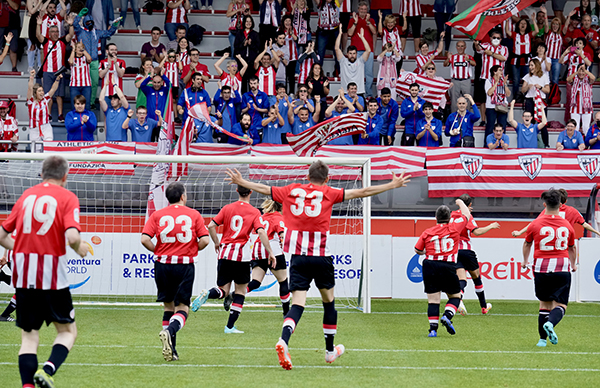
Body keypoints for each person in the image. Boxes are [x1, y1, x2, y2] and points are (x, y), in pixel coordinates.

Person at [224, 160, 411, 369]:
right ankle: (330, 351)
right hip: (321, 257)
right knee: (329, 302)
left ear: (307, 176)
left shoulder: (291, 190)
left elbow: (266, 189)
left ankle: (283, 341)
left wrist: (242, 181)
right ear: (327, 179)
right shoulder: (329, 193)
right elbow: (362, 191)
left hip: (298, 258)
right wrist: (391, 185)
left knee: (297, 305)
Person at [0, 155, 89, 388]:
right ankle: (48, 369)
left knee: (29, 337)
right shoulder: (67, 197)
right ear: (65, 176)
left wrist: (19, 248)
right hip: (52, 277)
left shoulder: (27, 196)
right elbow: (71, 237)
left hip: (25, 275)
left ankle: (27, 386)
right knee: (68, 332)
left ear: (42, 174)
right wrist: (80, 248)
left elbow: (1, 236)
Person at [191, 185, 274, 334]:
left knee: (223, 290)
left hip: (225, 253)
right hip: (241, 257)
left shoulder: (227, 208)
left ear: (237, 191)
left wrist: (217, 242)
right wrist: (270, 252)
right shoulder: (254, 212)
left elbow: (211, 226)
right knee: (241, 291)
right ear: (250, 192)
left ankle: (209, 293)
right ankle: (229, 327)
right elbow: (261, 232)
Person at [141, 182, 210, 361]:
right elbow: (205, 240)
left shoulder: (157, 215)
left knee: (168, 307)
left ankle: (172, 350)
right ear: (182, 197)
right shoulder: (193, 214)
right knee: (182, 308)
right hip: (184, 265)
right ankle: (170, 331)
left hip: (163, 265)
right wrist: (193, 248)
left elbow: (144, 239)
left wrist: (157, 250)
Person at [521, 190, 576, 347]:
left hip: (541, 267)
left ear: (544, 204)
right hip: (561, 267)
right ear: (561, 205)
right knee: (561, 305)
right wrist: (573, 264)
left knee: (544, 304)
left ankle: (542, 340)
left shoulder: (535, 223)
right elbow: (572, 248)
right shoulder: (566, 224)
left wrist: (525, 260)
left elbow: (527, 243)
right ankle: (551, 323)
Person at [414, 198, 471, 338]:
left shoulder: (427, 232)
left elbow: (417, 250)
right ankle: (447, 315)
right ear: (450, 218)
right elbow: (467, 216)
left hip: (430, 265)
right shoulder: (455, 228)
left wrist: (426, 252)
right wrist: (460, 202)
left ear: (436, 218)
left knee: (433, 300)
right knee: (455, 296)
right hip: (447, 265)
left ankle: (433, 330)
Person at [450, 194, 499, 316]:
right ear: (470, 205)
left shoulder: (452, 215)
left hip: (454, 250)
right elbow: (476, 232)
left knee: (462, 279)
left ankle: (459, 299)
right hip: (466, 250)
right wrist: (491, 226)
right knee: (476, 277)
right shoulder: (467, 216)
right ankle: (483, 307)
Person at [247, 199, 290, 316]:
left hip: (257, 250)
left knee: (255, 282)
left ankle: (235, 294)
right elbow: (282, 235)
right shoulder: (277, 217)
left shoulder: (261, 217)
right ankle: (286, 312)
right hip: (273, 250)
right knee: (283, 281)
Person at [73, 9, 119, 109]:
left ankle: (91, 102)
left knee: (93, 83)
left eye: (91, 22)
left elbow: (108, 33)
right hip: (83, 61)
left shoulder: (96, 32)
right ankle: (82, 103)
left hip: (94, 61)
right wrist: (79, 15)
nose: (89, 24)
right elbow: (75, 24)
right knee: (83, 83)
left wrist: (114, 26)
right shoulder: (80, 31)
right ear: (84, 23)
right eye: (87, 22)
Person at [36, 13, 74, 123]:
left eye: (57, 31)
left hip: (59, 72)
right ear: (49, 33)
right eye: (53, 32)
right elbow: (38, 36)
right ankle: (48, 115)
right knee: (48, 94)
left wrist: (71, 25)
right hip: (47, 72)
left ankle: (60, 115)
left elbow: (70, 35)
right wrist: (38, 25)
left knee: (59, 95)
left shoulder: (62, 41)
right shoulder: (46, 41)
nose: (56, 33)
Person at [474, 29, 508, 128]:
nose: (496, 39)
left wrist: (491, 54)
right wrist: (476, 43)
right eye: (494, 38)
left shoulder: (504, 48)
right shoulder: (485, 45)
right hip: (485, 77)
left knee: (499, 98)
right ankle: (483, 120)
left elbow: (504, 58)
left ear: (501, 39)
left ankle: (498, 121)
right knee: (483, 100)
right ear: (490, 38)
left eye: (498, 38)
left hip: (499, 79)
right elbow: (478, 49)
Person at [27, 70, 62, 152]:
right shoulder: (31, 101)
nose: (42, 92)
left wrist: (57, 79)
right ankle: (35, 165)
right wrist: (31, 77)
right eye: (39, 91)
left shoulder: (45, 99)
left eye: (42, 90)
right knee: (36, 151)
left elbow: (53, 89)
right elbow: (30, 88)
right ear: (35, 93)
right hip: (34, 128)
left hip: (46, 126)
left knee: (49, 148)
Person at [560, 38, 592, 125]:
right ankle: (570, 122)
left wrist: (581, 55)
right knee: (571, 101)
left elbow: (589, 63)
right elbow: (560, 61)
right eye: (577, 43)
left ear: (583, 45)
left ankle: (585, 122)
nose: (578, 45)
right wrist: (565, 53)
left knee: (585, 100)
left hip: (584, 80)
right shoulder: (570, 55)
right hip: (572, 80)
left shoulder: (586, 54)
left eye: (580, 43)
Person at [347, 2, 377, 96]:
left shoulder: (371, 20)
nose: (363, 11)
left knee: (369, 74)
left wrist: (368, 22)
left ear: (367, 10)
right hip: (355, 52)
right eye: (361, 9)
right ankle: (356, 94)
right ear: (358, 10)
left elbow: (374, 32)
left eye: (365, 9)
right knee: (355, 73)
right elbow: (350, 33)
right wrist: (355, 23)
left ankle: (368, 94)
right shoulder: (353, 20)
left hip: (368, 51)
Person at [506, 16, 539, 98]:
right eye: (521, 23)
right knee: (516, 80)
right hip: (515, 61)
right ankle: (516, 97)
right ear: (518, 26)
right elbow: (507, 31)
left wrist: (533, 20)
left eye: (525, 23)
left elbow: (537, 31)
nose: (523, 25)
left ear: (527, 26)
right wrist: (507, 21)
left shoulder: (529, 35)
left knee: (527, 80)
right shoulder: (514, 35)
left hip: (527, 62)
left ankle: (526, 96)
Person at [521, 59, 550, 147]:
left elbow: (547, 90)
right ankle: (530, 144)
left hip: (540, 101)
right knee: (530, 123)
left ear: (537, 66)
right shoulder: (527, 76)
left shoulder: (544, 76)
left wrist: (540, 87)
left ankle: (546, 144)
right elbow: (522, 90)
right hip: (530, 100)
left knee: (543, 123)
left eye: (532, 65)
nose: (530, 67)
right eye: (529, 65)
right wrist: (527, 87)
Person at [335, 26, 371, 96]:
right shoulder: (343, 61)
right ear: (347, 54)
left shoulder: (361, 61)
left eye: (354, 53)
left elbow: (368, 50)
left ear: (356, 54)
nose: (352, 55)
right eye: (350, 53)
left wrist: (362, 37)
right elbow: (337, 48)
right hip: (345, 92)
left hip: (359, 92)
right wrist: (340, 34)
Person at [444, 41, 476, 112]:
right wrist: (448, 58)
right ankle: (455, 119)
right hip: (455, 81)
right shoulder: (453, 57)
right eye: (458, 46)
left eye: (462, 46)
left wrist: (468, 60)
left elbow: (474, 64)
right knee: (454, 101)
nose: (460, 48)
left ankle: (466, 118)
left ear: (465, 47)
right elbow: (445, 64)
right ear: (456, 47)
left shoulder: (469, 56)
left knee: (467, 100)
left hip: (466, 80)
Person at [484, 65, 511, 145]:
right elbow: (489, 93)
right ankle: (487, 145)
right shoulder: (488, 81)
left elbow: (508, 94)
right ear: (494, 72)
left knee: (502, 127)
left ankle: (502, 145)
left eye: (501, 70)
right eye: (499, 70)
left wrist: (505, 84)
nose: (501, 72)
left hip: (502, 106)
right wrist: (496, 82)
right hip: (491, 107)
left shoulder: (504, 81)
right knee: (490, 127)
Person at [234, 15, 261, 93]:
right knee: (242, 80)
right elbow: (236, 47)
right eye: (247, 21)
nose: (248, 23)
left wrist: (251, 44)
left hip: (251, 61)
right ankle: (243, 98)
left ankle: (251, 97)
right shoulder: (239, 33)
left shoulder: (255, 34)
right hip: (242, 61)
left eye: (250, 21)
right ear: (244, 23)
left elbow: (258, 48)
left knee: (251, 81)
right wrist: (244, 44)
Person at [566, 63, 595, 133]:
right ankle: (576, 143)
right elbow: (568, 79)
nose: (581, 73)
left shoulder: (588, 79)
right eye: (580, 71)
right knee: (575, 127)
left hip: (586, 107)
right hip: (575, 107)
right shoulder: (574, 79)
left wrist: (585, 70)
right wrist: (576, 72)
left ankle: (587, 143)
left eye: (583, 71)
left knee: (586, 127)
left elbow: (593, 78)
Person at [316, 0, 340, 76]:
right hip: (323, 31)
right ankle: (318, 74)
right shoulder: (320, 3)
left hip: (335, 30)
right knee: (320, 54)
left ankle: (339, 72)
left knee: (337, 53)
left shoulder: (337, 2)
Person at [99, 43, 126, 107]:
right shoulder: (102, 62)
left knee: (117, 115)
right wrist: (108, 67)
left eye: (115, 50)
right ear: (107, 51)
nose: (114, 51)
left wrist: (115, 63)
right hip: (106, 93)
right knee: (106, 115)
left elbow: (121, 74)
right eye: (112, 50)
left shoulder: (121, 62)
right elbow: (101, 75)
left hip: (117, 93)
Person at [254, 40, 281, 105]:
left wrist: (271, 48)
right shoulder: (258, 68)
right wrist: (265, 50)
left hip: (271, 96)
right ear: (261, 60)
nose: (266, 61)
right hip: (260, 95)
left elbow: (278, 59)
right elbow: (255, 61)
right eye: (264, 59)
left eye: (268, 59)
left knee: (272, 113)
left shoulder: (273, 68)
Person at [68, 41, 92, 111]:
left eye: (82, 48)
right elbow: (70, 62)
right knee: (74, 105)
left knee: (86, 105)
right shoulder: (72, 58)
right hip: (74, 85)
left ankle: (86, 120)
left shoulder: (85, 58)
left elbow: (89, 59)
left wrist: (83, 50)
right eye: (78, 48)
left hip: (86, 85)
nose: (80, 49)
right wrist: (73, 50)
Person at [545, 17, 564, 85]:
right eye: (553, 24)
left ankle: (554, 95)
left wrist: (569, 17)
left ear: (559, 26)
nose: (555, 26)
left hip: (557, 59)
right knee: (545, 78)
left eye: (557, 24)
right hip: (547, 58)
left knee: (555, 79)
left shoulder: (561, 34)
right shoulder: (549, 32)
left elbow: (566, 26)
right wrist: (546, 14)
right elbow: (546, 25)